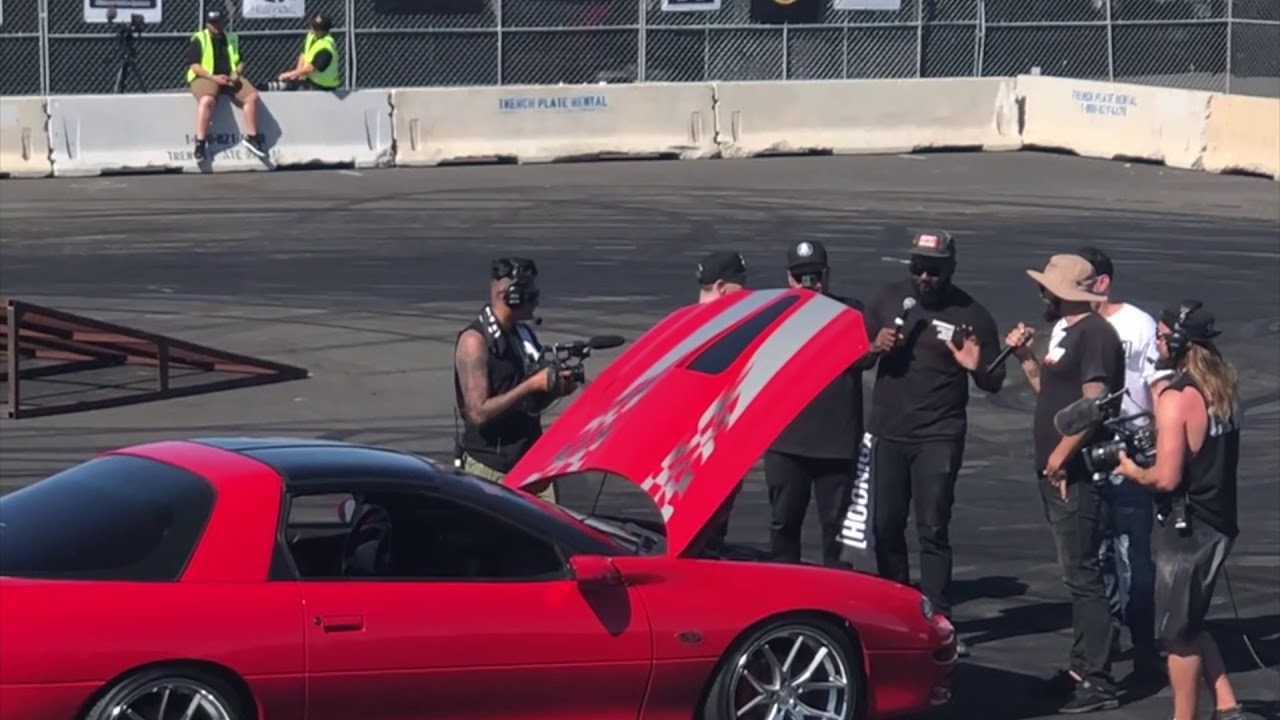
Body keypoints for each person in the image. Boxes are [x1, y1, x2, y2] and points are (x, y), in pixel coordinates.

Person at [859, 230, 1006, 654]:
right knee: (885, 526)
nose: (925, 277)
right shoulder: (886, 300)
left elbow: (994, 381)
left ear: (950, 269)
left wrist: (975, 365)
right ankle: (896, 611)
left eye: (934, 270)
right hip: (889, 430)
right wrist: (874, 347)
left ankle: (940, 619)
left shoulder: (972, 314)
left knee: (933, 526)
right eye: (918, 268)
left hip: (940, 433)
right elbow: (853, 358)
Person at [1005, 253, 1126, 713]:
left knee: (1083, 574)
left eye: (1047, 289)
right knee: (1075, 572)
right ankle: (1081, 667)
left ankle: (1098, 678)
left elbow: (1095, 405)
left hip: (1073, 474)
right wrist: (1026, 359)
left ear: (1063, 293)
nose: (1042, 296)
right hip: (1057, 471)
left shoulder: (1094, 335)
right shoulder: (1068, 332)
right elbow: (1053, 396)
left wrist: (1059, 458)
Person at [1115, 300, 1246, 720]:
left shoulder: (1178, 397)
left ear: (1177, 341)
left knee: (1175, 634)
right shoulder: (1222, 387)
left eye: (1161, 335)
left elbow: (1166, 478)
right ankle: (1226, 703)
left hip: (1191, 526)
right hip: (1219, 516)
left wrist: (1132, 470)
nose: (1156, 343)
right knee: (1189, 617)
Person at [1050, 246, 1163, 682]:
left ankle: (1144, 643)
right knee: (1094, 554)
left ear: (1102, 283)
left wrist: (1159, 442)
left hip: (1129, 447)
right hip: (1087, 451)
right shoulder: (1065, 326)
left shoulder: (1137, 324)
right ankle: (1105, 639)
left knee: (1133, 555)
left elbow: (1155, 386)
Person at [764, 240, 865, 567]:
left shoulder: (850, 314)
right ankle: (782, 589)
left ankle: (837, 592)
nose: (810, 284)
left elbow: (868, 356)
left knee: (837, 534)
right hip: (785, 442)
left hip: (836, 446)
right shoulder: (773, 317)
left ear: (828, 275)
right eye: (801, 277)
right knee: (783, 524)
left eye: (816, 276)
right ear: (789, 278)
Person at [453, 257, 577, 503]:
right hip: (491, 469)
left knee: (551, 526)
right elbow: (477, 413)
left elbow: (529, 404)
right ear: (507, 296)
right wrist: (531, 385)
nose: (536, 301)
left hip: (531, 463)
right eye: (530, 295)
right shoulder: (474, 342)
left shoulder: (523, 333)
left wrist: (553, 388)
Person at [695, 250, 749, 549]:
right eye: (740, 285)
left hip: (695, 449)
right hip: (710, 447)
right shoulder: (721, 328)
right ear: (720, 287)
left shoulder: (685, 324)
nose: (746, 292)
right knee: (707, 534)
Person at [183, 10, 266, 162]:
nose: (216, 26)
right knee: (207, 101)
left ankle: (252, 138)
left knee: (252, 97)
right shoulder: (200, 38)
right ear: (207, 24)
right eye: (212, 23)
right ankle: (200, 143)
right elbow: (194, 65)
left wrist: (237, 73)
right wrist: (213, 77)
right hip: (206, 77)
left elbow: (241, 61)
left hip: (229, 77)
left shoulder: (232, 37)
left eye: (218, 23)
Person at [276, 12, 341, 91]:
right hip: (309, 79)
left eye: (317, 29)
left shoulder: (326, 47)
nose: (313, 30)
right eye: (313, 27)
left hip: (322, 86)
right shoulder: (311, 36)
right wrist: (297, 74)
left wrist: (290, 74)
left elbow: (311, 68)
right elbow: (304, 54)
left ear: (324, 31)